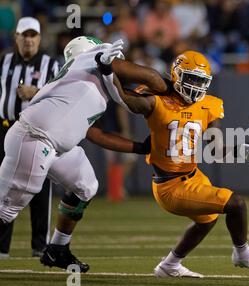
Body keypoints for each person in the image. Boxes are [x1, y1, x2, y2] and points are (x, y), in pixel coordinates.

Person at [0, 36, 166, 272]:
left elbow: (96, 134)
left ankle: (57, 249)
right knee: (6, 210)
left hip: (53, 145)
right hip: (35, 139)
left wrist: (140, 148)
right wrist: (172, 88)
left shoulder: (78, 85)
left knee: (85, 185)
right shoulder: (93, 59)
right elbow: (148, 77)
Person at [116, 50, 249, 277]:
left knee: (207, 221)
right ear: (176, 75)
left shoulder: (208, 105)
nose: (195, 85)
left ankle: (169, 265)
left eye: (200, 80)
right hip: (170, 186)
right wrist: (107, 70)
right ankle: (243, 253)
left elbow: (216, 149)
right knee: (236, 204)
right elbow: (125, 98)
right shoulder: (157, 102)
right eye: (190, 78)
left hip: (193, 175)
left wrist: (238, 149)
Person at [0, 17, 59, 259]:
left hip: (37, 132)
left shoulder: (50, 64)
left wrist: (36, 92)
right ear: (16, 37)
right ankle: (1, 247)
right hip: (6, 127)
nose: (28, 40)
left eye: (33, 35)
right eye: (24, 35)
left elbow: (60, 96)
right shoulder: (3, 61)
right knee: (4, 188)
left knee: (40, 188)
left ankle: (40, 246)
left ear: (39, 38)